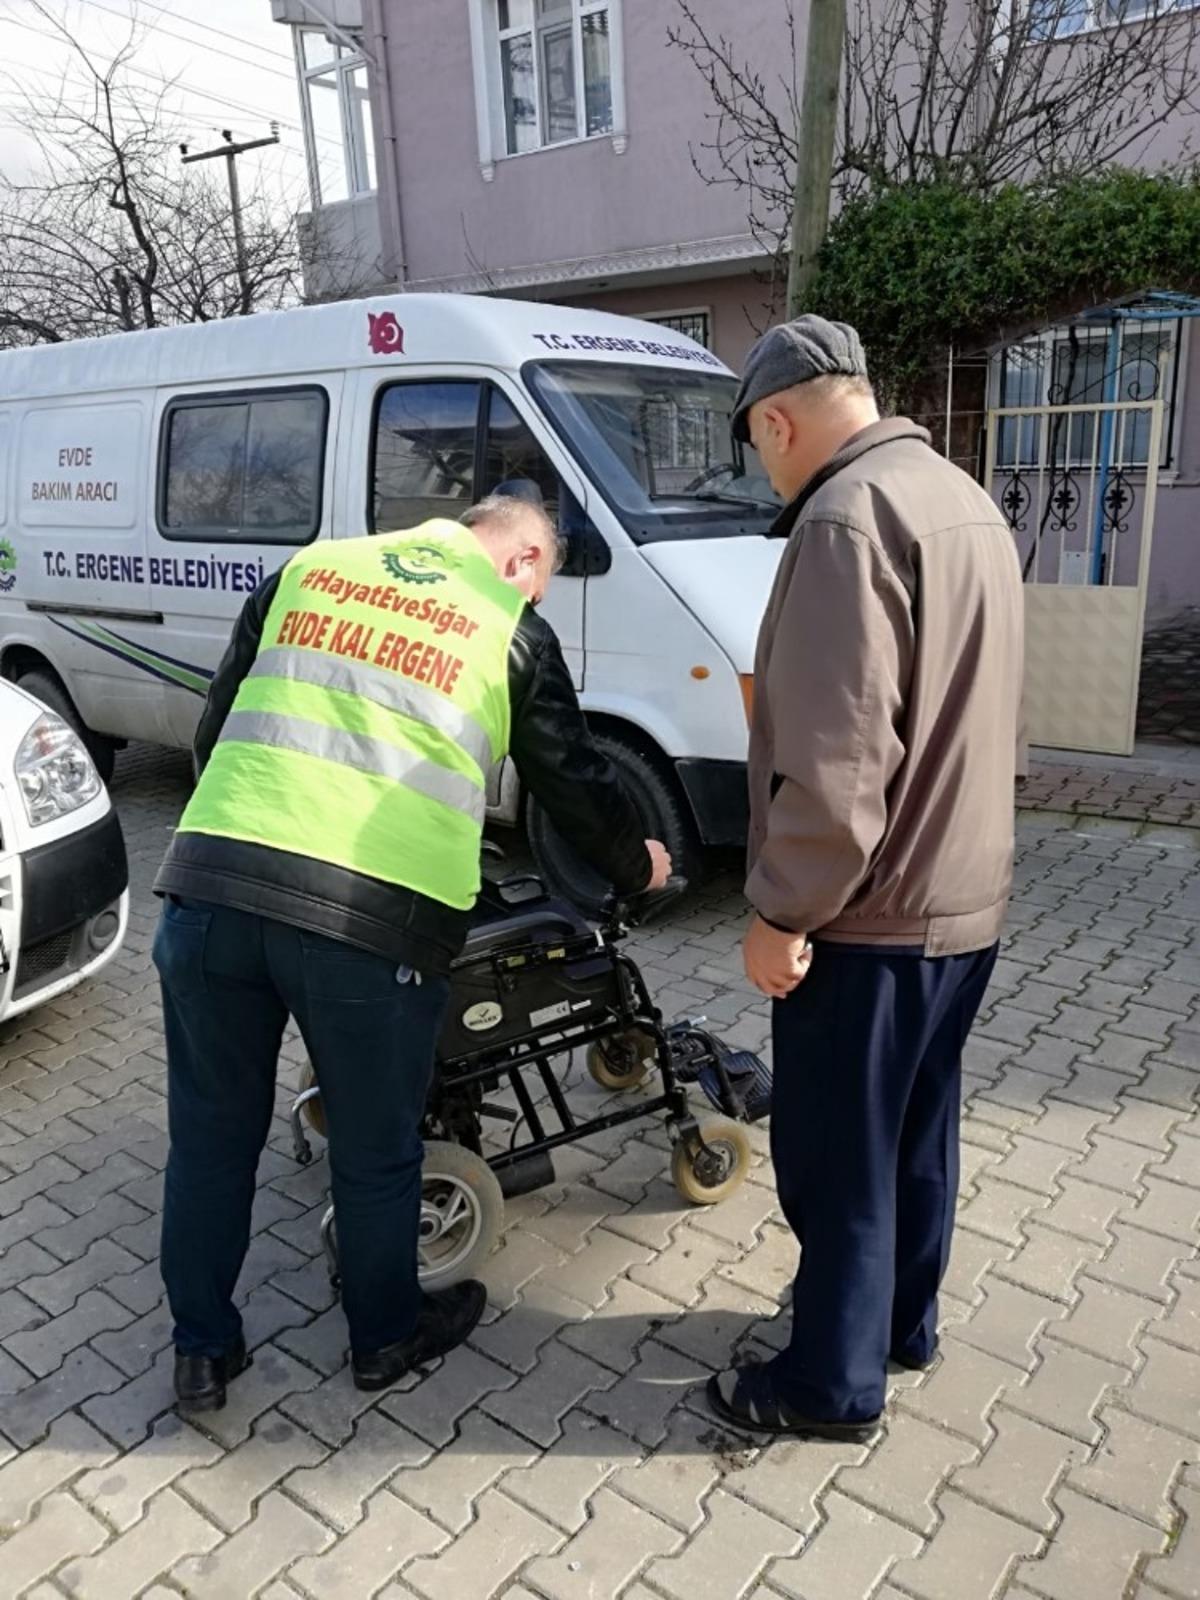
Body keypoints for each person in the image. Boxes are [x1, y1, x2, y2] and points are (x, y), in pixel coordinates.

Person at [153, 495, 671, 1414]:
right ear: (520, 559)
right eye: (545, 577)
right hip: (366, 924)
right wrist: (640, 867)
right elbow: (576, 782)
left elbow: (217, 726)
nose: (540, 595)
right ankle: (384, 1338)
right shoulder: (510, 626)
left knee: (208, 1138)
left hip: (210, 886)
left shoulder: (308, 570)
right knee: (376, 1145)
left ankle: (202, 1353)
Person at [706, 316, 1023, 1441]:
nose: (764, 467)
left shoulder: (845, 520)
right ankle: (900, 1324)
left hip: (871, 915)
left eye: (757, 444)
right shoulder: (958, 496)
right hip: (963, 897)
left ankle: (827, 1386)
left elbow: (839, 766)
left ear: (780, 418)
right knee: (917, 1128)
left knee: (839, 1153)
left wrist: (781, 911)